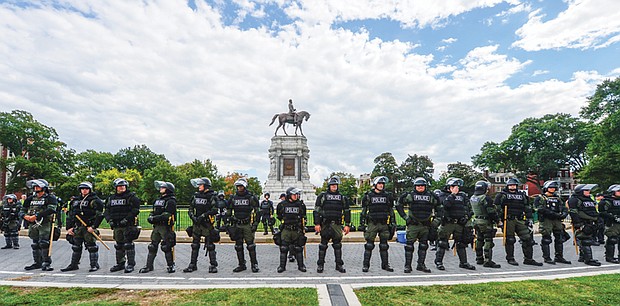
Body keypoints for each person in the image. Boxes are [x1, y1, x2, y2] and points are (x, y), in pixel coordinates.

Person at [396, 177, 440, 273]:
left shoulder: (431, 196)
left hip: (426, 225)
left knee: (424, 245)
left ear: (425, 186)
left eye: (422, 186)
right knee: (409, 246)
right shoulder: (410, 195)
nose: (420, 187)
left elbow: (440, 208)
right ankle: (407, 266)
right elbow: (399, 204)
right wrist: (405, 217)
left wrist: (436, 221)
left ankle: (421, 265)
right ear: (415, 186)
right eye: (418, 186)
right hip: (413, 225)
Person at [494, 178, 541, 266]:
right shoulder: (502, 195)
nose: (513, 187)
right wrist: (499, 220)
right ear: (507, 186)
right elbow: (497, 208)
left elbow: (527, 207)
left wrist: (529, 219)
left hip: (520, 219)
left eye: (514, 185)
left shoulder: (522, 195)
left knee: (528, 238)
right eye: (511, 185)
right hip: (508, 220)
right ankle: (510, 258)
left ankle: (528, 259)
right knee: (510, 240)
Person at [61, 182, 105, 272]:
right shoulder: (75, 201)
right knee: (76, 247)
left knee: (92, 247)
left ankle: (94, 265)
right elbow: (70, 215)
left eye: (86, 189)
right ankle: (74, 264)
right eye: (82, 189)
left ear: (90, 189)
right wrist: (69, 228)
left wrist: (94, 226)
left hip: (88, 227)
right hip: (77, 227)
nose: (84, 190)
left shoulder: (95, 200)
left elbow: (100, 215)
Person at [434, 178, 476, 271]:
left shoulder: (463, 195)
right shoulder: (443, 195)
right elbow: (445, 205)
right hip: (448, 222)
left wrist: (466, 217)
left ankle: (463, 262)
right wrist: (453, 195)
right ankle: (438, 262)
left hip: (460, 223)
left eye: (457, 187)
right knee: (442, 243)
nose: (456, 188)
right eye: (453, 186)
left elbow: (469, 208)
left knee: (461, 244)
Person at [314, 177, 351, 273]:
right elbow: (317, 211)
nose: (334, 187)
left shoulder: (342, 198)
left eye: (335, 185)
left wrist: (347, 225)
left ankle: (339, 265)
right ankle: (320, 265)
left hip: (337, 225)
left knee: (337, 245)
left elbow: (347, 212)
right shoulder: (322, 196)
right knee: (323, 246)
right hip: (325, 224)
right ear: (329, 186)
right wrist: (317, 223)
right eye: (332, 185)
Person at [104, 178, 142, 273]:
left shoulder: (131, 197)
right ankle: (120, 263)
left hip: (128, 225)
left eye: (123, 186)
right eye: (120, 186)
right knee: (119, 245)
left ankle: (130, 264)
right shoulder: (111, 198)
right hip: (117, 225)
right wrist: (109, 220)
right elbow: (107, 210)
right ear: (116, 187)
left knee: (128, 244)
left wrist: (126, 219)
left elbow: (135, 210)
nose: (122, 188)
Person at [139, 181, 177, 273]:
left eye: (163, 187)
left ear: (168, 190)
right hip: (157, 226)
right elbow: (154, 211)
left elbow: (167, 215)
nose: (160, 188)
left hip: (165, 227)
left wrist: (154, 218)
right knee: (152, 246)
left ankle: (171, 265)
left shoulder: (171, 201)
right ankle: (149, 266)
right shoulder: (158, 200)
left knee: (166, 246)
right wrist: (151, 216)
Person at [360, 176, 396, 272]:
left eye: (382, 184)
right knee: (369, 245)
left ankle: (385, 265)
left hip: (384, 223)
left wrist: (393, 222)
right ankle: (366, 265)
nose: (381, 185)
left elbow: (391, 210)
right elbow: (364, 211)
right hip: (372, 223)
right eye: (379, 184)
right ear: (375, 185)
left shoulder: (388, 196)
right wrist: (362, 223)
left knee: (384, 245)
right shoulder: (368, 196)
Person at [184, 177, 219, 273]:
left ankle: (213, 265)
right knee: (195, 245)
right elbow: (190, 208)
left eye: (200, 185)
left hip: (207, 224)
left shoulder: (212, 196)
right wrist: (192, 217)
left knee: (210, 245)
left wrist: (203, 216)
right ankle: (192, 264)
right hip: (197, 224)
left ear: (206, 186)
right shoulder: (196, 196)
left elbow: (215, 210)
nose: (199, 186)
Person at [22, 179, 58, 271]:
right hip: (33, 224)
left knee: (44, 243)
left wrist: (37, 216)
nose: (36, 188)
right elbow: (22, 209)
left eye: (38, 186)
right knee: (35, 244)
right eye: (34, 186)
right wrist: (25, 216)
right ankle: (37, 262)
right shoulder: (30, 198)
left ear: (44, 187)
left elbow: (51, 209)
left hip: (44, 223)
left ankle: (46, 263)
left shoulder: (50, 197)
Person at [226, 178, 260, 273]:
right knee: (238, 246)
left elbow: (257, 211)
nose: (239, 188)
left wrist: (255, 224)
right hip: (237, 224)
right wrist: (227, 223)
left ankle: (254, 264)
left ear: (244, 187)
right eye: (238, 186)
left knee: (251, 246)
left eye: (241, 186)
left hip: (247, 224)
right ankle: (241, 264)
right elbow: (228, 211)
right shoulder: (233, 198)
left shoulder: (251, 197)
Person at [534, 181, 571, 265]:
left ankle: (559, 257)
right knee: (546, 239)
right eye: (551, 188)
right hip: (547, 220)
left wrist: (564, 214)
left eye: (554, 188)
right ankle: (547, 258)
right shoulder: (540, 198)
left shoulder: (558, 198)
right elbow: (539, 209)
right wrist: (553, 214)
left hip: (557, 220)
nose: (552, 189)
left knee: (559, 238)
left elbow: (564, 207)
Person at [568, 184, 601, 266]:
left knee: (585, 239)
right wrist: (578, 224)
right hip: (582, 222)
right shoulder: (575, 199)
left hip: (590, 222)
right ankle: (589, 259)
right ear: (580, 191)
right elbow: (573, 212)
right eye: (586, 190)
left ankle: (582, 257)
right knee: (585, 240)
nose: (588, 192)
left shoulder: (589, 199)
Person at [276, 187, 308, 272]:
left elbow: (303, 216)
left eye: (297, 194)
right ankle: (282, 266)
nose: (296, 196)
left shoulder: (300, 205)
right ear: (289, 195)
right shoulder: (282, 205)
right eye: (294, 194)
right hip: (286, 229)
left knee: (298, 248)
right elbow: (279, 215)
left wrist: (304, 224)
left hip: (297, 230)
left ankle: (301, 266)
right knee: (284, 248)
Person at [471, 180, 501, 268]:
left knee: (479, 240)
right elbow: (491, 212)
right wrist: (498, 221)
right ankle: (488, 261)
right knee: (488, 241)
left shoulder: (472, 197)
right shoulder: (485, 198)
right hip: (485, 222)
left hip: (476, 221)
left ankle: (479, 258)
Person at [598, 184, 620, 263]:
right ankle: (609, 257)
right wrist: (613, 217)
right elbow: (602, 212)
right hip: (612, 223)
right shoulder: (607, 201)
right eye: (618, 191)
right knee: (612, 240)